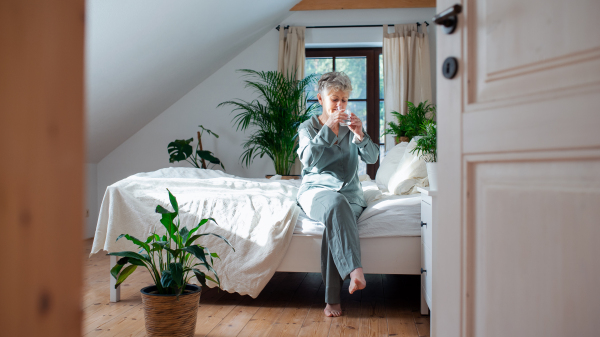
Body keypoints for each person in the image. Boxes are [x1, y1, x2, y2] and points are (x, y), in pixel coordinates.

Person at [296, 71, 380, 317]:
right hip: (315, 191)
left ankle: (332, 299)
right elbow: (308, 161)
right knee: (333, 202)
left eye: (344, 99)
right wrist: (327, 130)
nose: (340, 105)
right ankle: (355, 271)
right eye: (335, 99)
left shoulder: (350, 125)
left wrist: (360, 135)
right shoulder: (308, 127)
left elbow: (373, 158)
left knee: (337, 215)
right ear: (321, 99)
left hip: (351, 195)